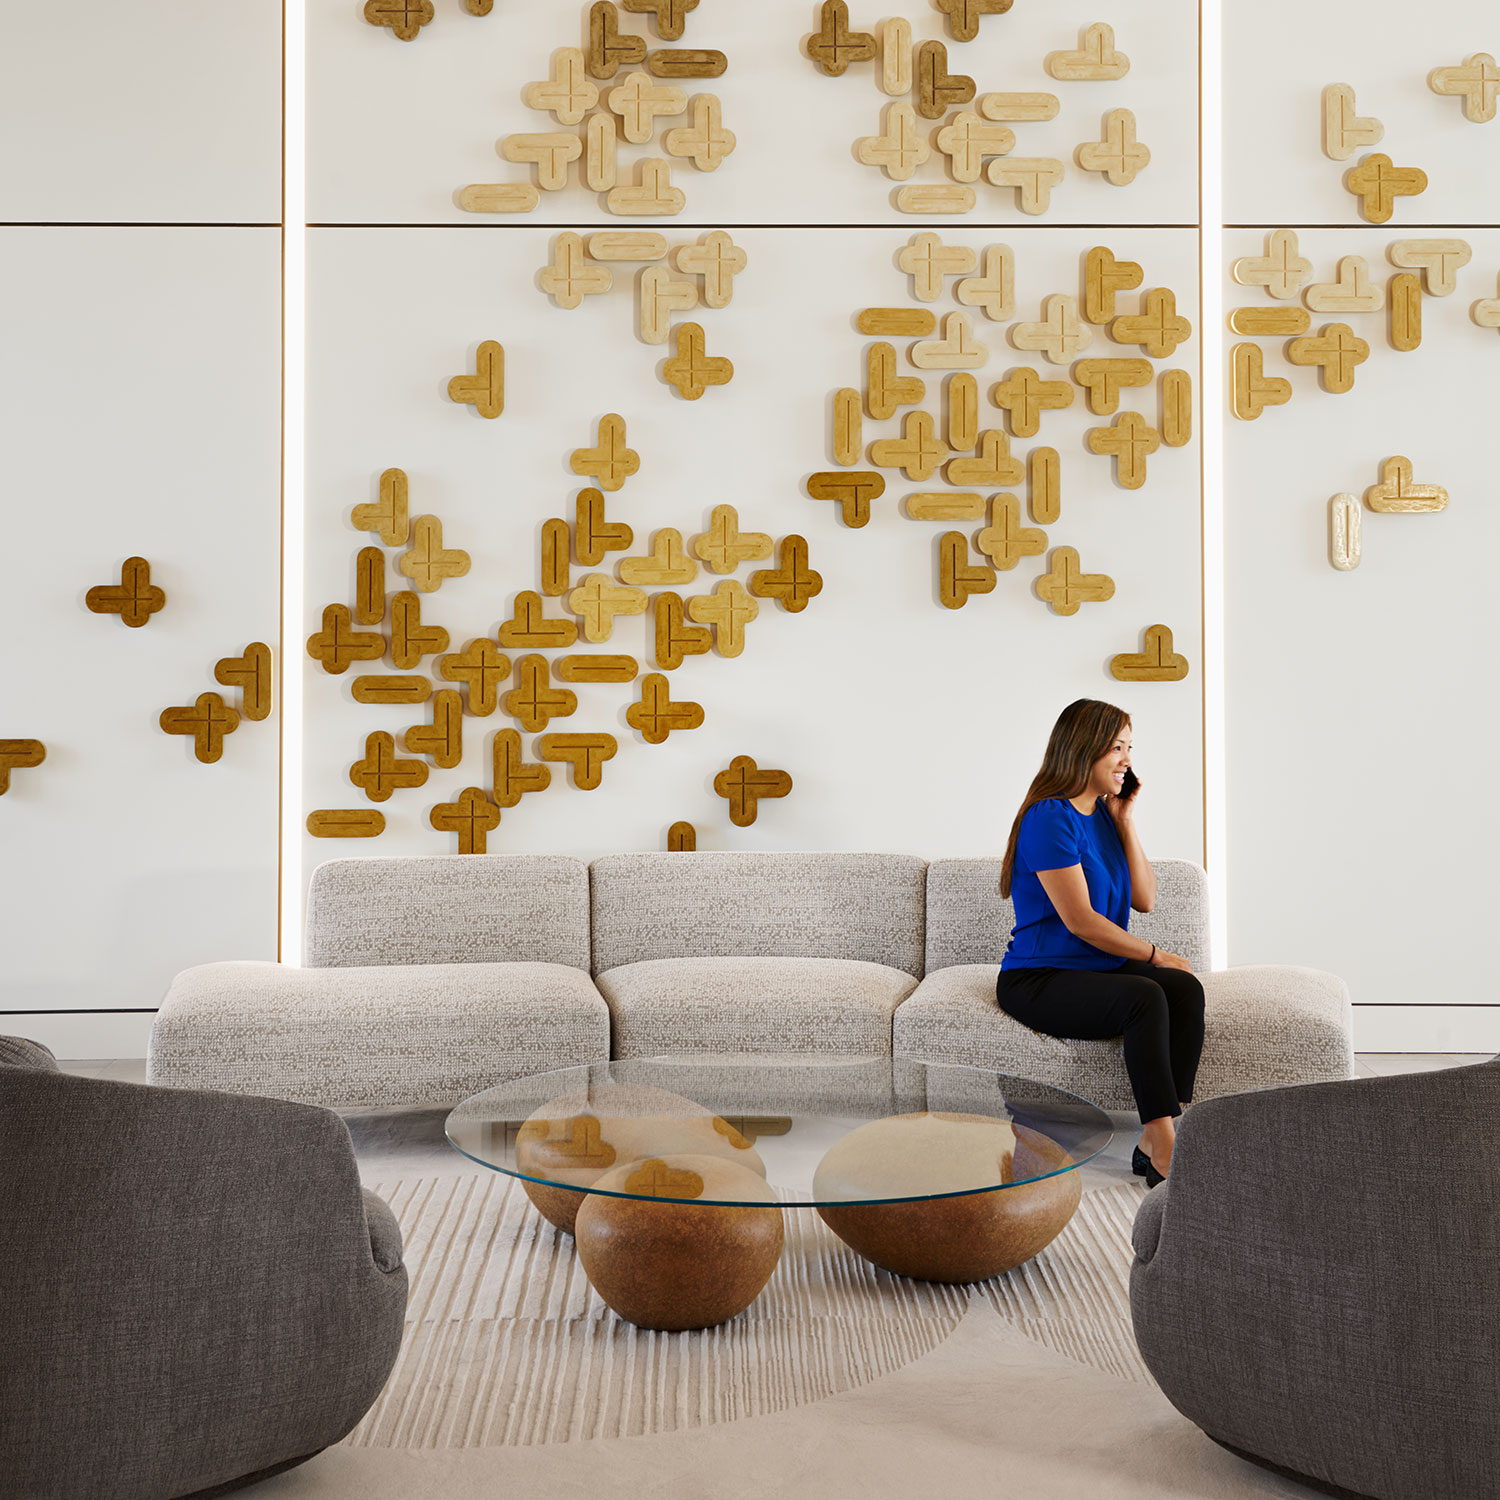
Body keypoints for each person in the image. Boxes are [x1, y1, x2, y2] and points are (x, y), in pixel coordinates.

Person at [996, 698, 1205, 1186]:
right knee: (1146, 994)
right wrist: (1156, 954)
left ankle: (1163, 1132)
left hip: (1094, 968)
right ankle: (1165, 1148)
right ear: (1083, 749)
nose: (1127, 759)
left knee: (1183, 988)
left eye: (1129, 747)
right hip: (1038, 977)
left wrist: (1125, 820)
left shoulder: (1101, 817)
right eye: (1116, 747)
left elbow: (1145, 899)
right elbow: (1081, 921)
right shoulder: (1049, 816)